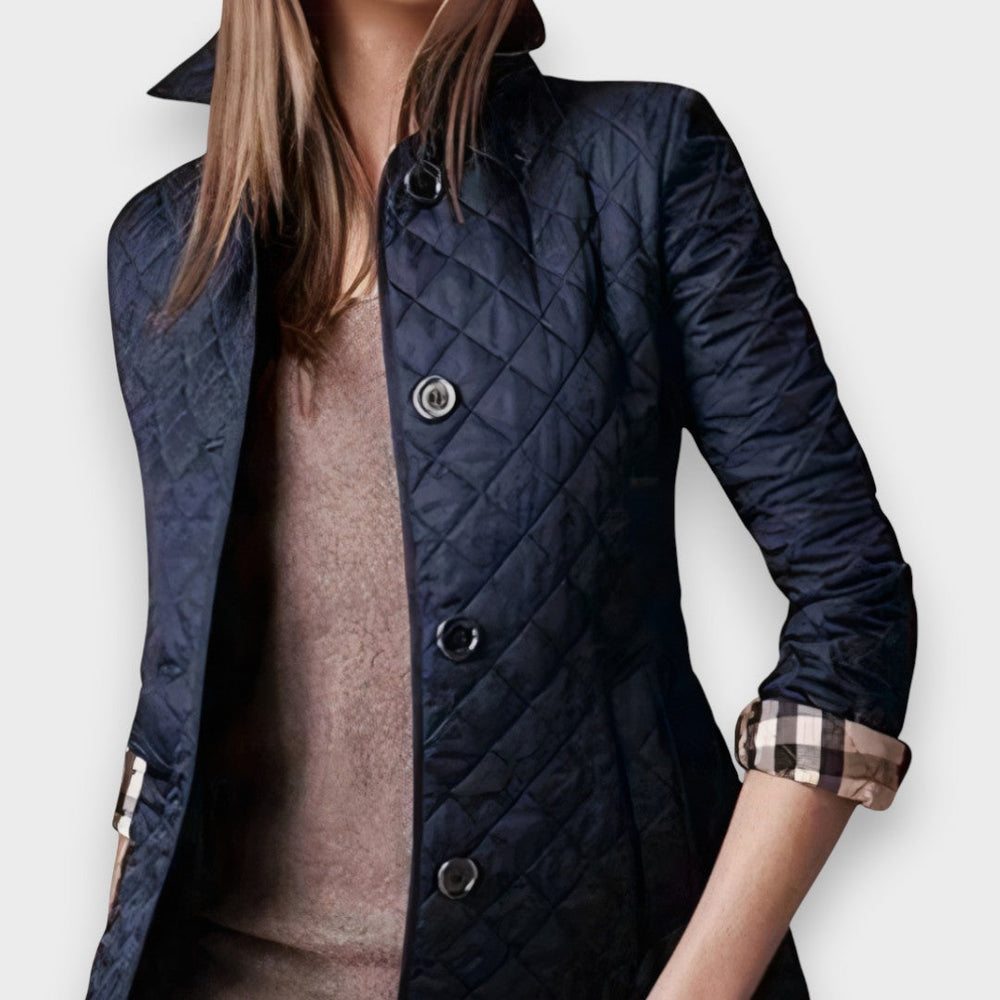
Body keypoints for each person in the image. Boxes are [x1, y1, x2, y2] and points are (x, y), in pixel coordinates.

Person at [86, 1, 918, 998]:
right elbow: (178, 688)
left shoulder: (641, 164)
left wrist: (698, 988)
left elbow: (852, 598)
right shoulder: (161, 248)